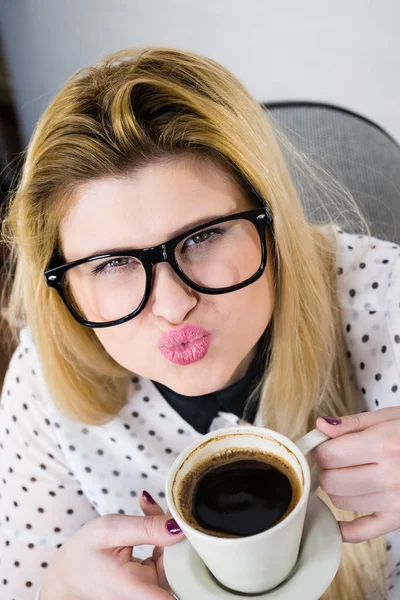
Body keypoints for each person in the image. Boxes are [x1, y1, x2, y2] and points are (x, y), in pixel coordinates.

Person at [0, 46, 399, 600]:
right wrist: (58, 593)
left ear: (271, 221)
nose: (172, 304)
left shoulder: (388, 304)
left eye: (202, 236)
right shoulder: (42, 382)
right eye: (114, 263)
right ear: (63, 281)